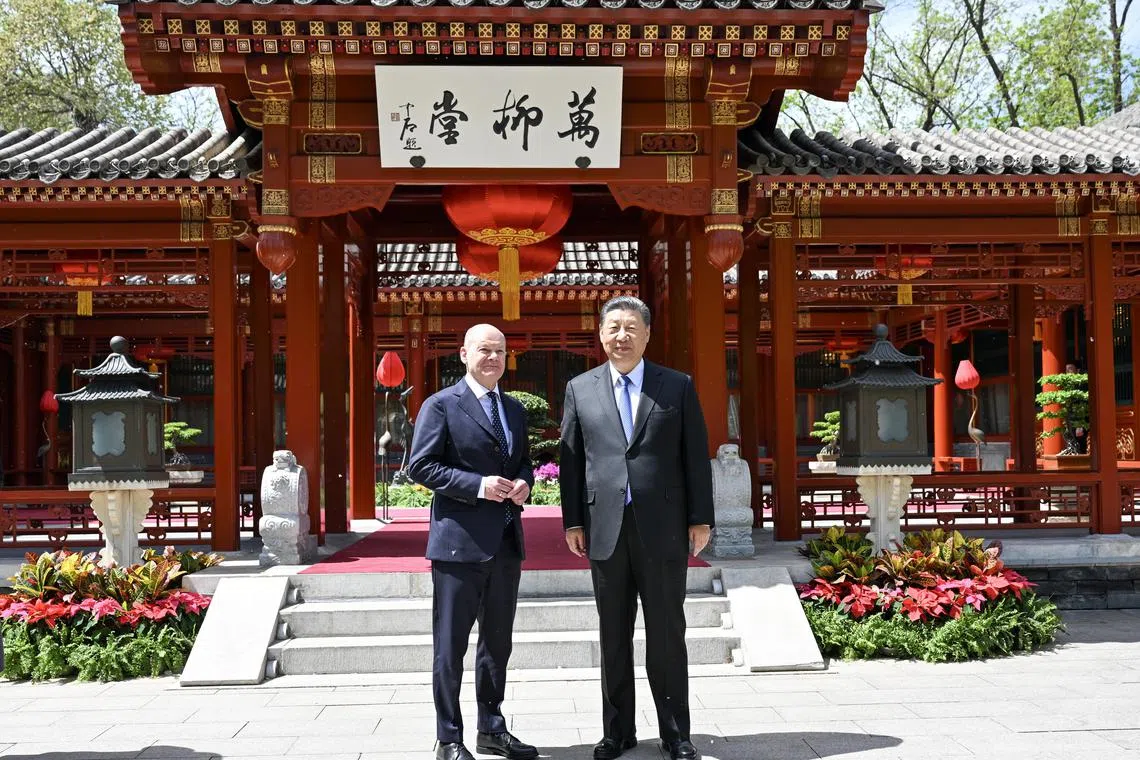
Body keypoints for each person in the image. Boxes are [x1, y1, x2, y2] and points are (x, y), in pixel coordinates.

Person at [559, 296, 714, 760]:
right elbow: (570, 461)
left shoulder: (676, 386)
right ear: (600, 335)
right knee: (613, 634)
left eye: (631, 328)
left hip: (663, 526)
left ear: (647, 334)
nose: (621, 336)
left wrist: (700, 517)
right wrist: (572, 520)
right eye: (613, 328)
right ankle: (617, 732)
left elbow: (694, 454)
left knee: (667, 631)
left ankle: (675, 733)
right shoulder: (579, 388)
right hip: (605, 527)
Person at [407, 324, 538, 760]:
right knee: (451, 646)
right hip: (458, 544)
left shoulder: (514, 409)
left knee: (497, 643)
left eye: (500, 351)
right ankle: (448, 737)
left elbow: (524, 462)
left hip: (504, 540)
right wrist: (479, 485)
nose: (493, 358)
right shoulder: (441, 405)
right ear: (464, 354)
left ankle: (492, 728)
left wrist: (523, 483)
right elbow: (421, 466)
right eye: (485, 350)